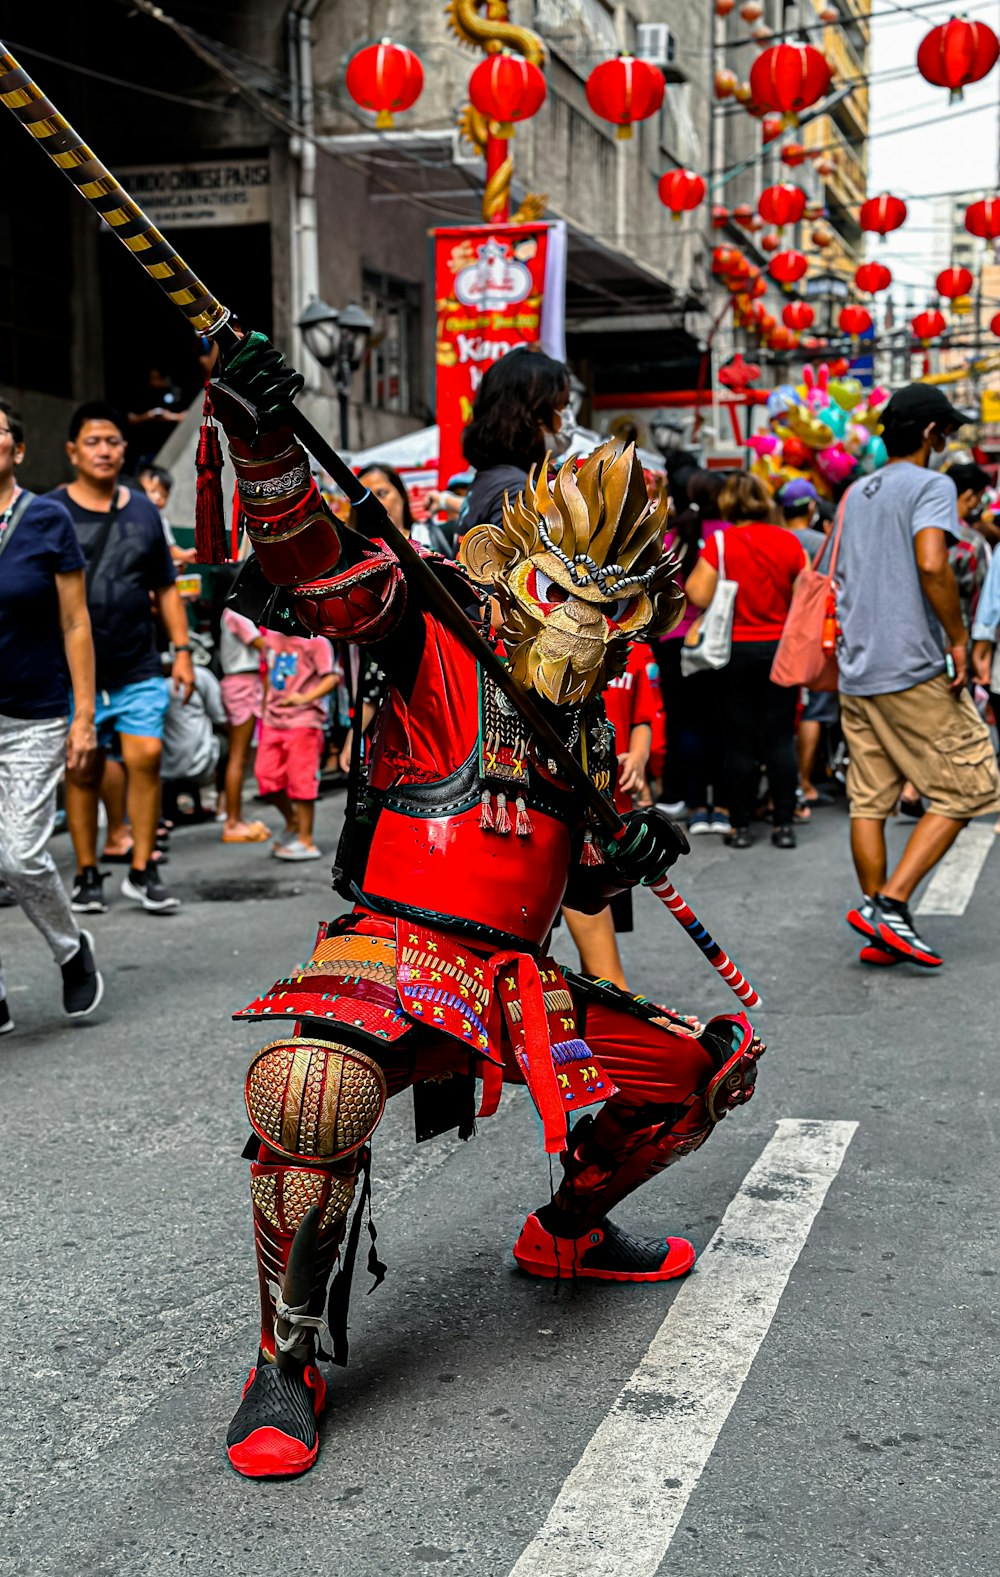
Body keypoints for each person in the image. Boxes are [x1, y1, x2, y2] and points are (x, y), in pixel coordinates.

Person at [210, 332, 762, 1478]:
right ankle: (286, 1356)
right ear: (523, 567)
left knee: (699, 1071)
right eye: (565, 590)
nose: (580, 623)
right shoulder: (432, 629)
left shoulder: (590, 725)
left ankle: (568, 1233)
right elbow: (313, 561)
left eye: (608, 608)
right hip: (392, 955)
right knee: (309, 1087)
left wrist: (628, 844)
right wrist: (264, 438)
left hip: (513, 984)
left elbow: (584, 884)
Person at [835, 385, 1000, 969]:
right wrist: (959, 640)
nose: (947, 443)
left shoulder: (855, 492)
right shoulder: (931, 486)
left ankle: (879, 922)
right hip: (909, 664)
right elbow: (932, 562)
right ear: (931, 433)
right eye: (947, 434)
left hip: (858, 669)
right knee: (972, 783)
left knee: (870, 800)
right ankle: (893, 907)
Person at [54, 402, 194, 915]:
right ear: (72, 451)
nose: (105, 450)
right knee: (83, 769)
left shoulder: (141, 510)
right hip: (70, 674)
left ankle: (142, 868)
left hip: (138, 663)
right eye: (93, 442)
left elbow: (166, 586)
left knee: (146, 757)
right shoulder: (50, 512)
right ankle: (88, 872)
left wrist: (181, 651)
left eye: (113, 441)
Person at [0, 397, 103, 1027]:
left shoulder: (46, 520)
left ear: (16, 448)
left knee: (18, 855)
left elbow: (74, 621)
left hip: (32, 716)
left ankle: (70, 949)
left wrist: (83, 715)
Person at [685, 472, 807, 850]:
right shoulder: (789, 542)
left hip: (734, 653)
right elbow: (805, 595)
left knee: (738, 741)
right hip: (781, 650)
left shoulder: (721, 543)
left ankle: (739, 826)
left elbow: (696, 593)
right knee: (781, 738)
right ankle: (783, 823)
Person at [656, 470, 730, 833]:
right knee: (721, 721)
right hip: (720, 642)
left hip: (673, 640)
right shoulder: (729, 536)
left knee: (682, 720)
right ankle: (721, 802)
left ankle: (688, 795)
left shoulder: (672, 538)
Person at [457, 345, 571, 533]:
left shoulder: (493, 480)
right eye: (562, 405)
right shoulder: (516, 491)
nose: (567, 417)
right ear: (535, 414)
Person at [778, 479, 839, 816]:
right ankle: (804, 781)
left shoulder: (775, 538)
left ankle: (787, 783)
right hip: (813, 633)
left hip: (777, 634)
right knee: (815, 708)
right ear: (812, 508)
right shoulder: (821, 543)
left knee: (785, 711)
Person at [256, 628, 337, 861]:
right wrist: (264, 710)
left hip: (304, 720)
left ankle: (306, 841)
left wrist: (305, 698)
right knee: (266, 778)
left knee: (302, 782)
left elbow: (331, 677)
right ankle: (292, 821)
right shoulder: (270, 638)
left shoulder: (316, 641)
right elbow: (267, 676)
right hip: (273, 720)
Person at [218, 607, 270, 843]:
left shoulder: (236, 613)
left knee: (241, 755)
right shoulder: (236, 613)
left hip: (245, 682)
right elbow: (262, 645)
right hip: (242, 684)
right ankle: (232, 821)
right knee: (238, 756)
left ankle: (235, 818)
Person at [160, 660, 226, 822]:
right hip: (198, 761)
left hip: (165, 764)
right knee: (229, 744)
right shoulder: (200, 676)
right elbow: (219, 716)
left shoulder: (151, 682)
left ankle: (166, 812)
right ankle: (223, 806)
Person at [138, 463, 198, 567]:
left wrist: (185, 555)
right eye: (152, 491)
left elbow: (169, 548)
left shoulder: (161, 521)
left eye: (163, 494)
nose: (157, 497)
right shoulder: (129, 516)